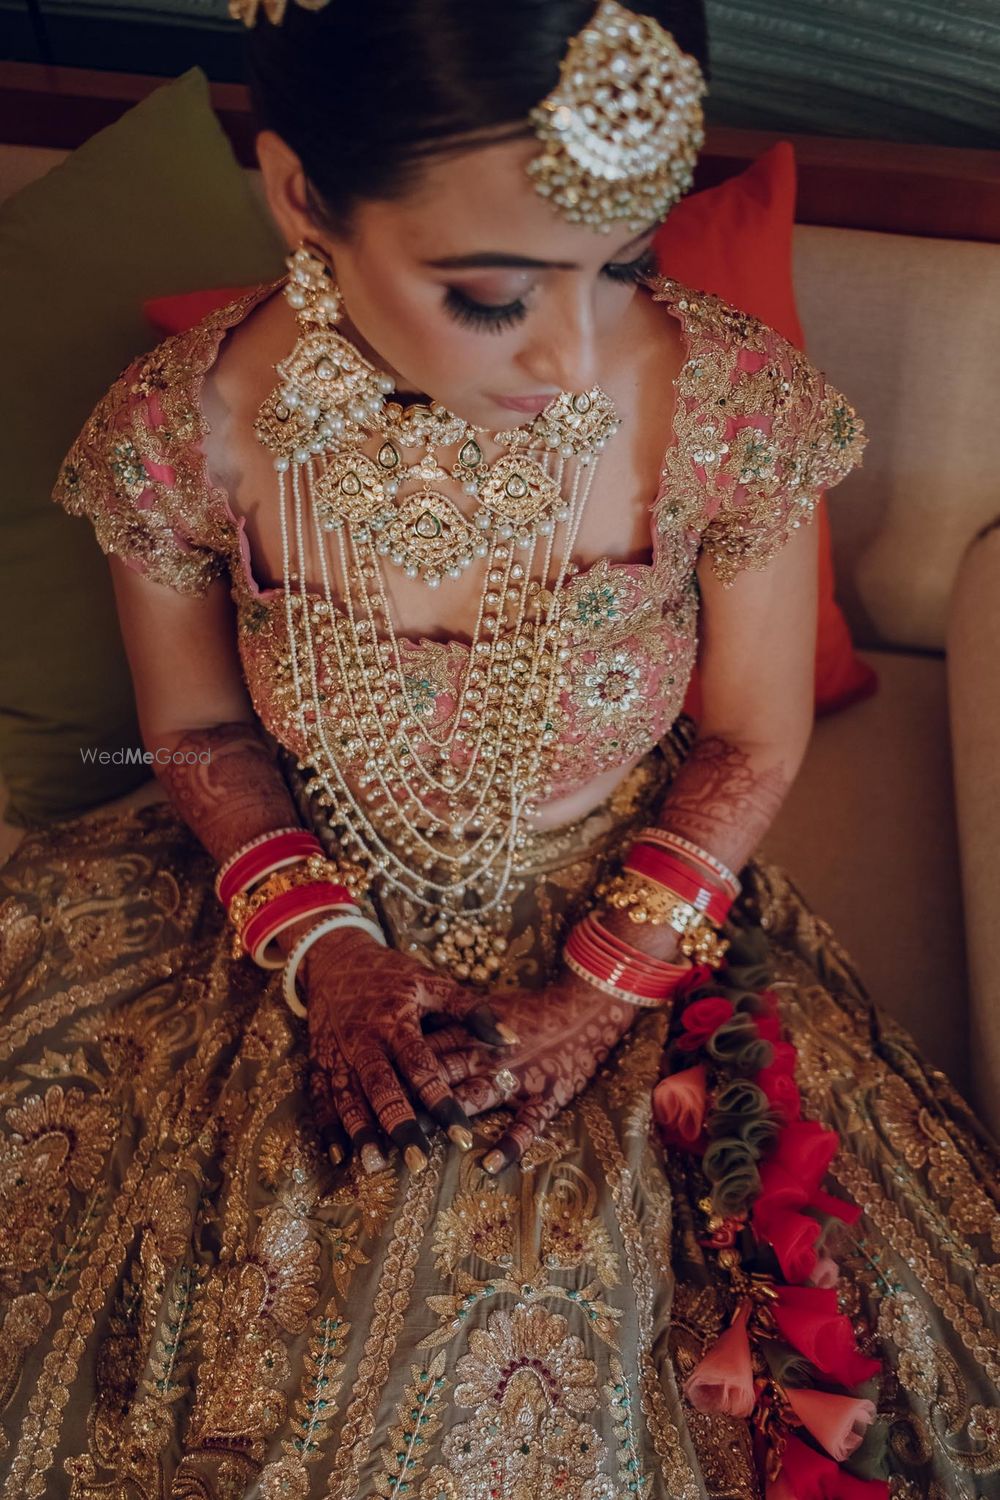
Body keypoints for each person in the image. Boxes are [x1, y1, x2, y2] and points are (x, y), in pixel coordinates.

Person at [0, 2, 996, 1496]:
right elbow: (197, 728)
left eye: (623, 266)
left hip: (637, 919)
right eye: (488, 292)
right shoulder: (179, 429)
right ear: (300, 200)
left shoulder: (729, 408)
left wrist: (595, 1003)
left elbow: (752, 732)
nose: (570, 350)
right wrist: (330, 958)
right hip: (282, 917)